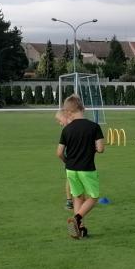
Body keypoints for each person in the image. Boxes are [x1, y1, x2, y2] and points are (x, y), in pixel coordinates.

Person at [57, 95, 104, 238]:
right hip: (87, 169)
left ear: (68, 112)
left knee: (77, 197)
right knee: (94, 197)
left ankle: (80, 229)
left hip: (71, 169)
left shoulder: (67, 129)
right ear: (82, 108)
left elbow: (59, 153)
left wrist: (67, 162)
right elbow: (100, 148)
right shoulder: (94, 127)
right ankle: (77, 219)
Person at [55, 109, 74, 210]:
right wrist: (66, 160)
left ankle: (77, 199)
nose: (60, 123)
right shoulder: (66, 130)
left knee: (74, 179)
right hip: (70, 159)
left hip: (73, 159)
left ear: (66, 117)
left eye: (60, 120)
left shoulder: (72, 128)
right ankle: (69, 201)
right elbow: (60, 152)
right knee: (70, 179)